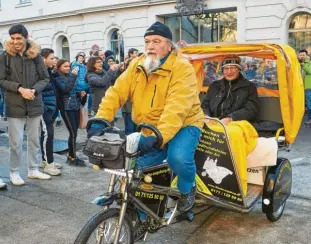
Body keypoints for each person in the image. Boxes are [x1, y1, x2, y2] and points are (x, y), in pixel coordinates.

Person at [87, 22, 204, 226]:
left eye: (156, 41)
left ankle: (188, 190)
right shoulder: (139, 64)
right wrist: (101, 119)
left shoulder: (182, 67)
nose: (150, 46)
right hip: (152, 127)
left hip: (185, 122)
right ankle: (143, 215)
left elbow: (177, 107)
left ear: (169, 46)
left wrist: (158, 136)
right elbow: (116, 92)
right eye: (147, 41)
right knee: (136, 168)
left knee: (178, 158)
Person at [0, 23, 52, 186]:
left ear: (26, 38)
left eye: (18, 38)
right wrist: (20, 89)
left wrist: (33, 90)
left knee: (34, 140)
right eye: (12, 38)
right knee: (16, 142)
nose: (15, 42)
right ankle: (14, 172)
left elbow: (45, 78)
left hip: (34, 103)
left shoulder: (36, 56)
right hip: (14, 105)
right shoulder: (4, 56)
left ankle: (33, 170)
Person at [201, 55, 260, 125]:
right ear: (222, 70)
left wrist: (231, 118)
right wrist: (206, 116)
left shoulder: (249, 87)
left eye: (233, 68)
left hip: (237, 124)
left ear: (239, 69)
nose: (229, 71)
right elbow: (205, 105)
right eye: (226, 68)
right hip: (213, 122)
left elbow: (251, 110)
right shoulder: (214, 86)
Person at [54, 59, 87, 166]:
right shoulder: (57, 78)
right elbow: (66, 89)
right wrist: (73, 76)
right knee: (72, 133)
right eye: (65, 66)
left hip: (75, 106)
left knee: (75, 132)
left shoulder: (69, 76)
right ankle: (72, 158)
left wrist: (80, 94)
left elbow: (73, 90)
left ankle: (71, 156)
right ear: (59, 67)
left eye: (69, 66)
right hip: (66, 108)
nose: (68, 68)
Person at [39, 48, 62, 175]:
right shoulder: (39, 72)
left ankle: (45, 160)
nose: (54, 60)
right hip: (45, 108)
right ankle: (49, 164)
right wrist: (44, 108)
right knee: (48, 134)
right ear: (44, 59)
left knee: (46, 134)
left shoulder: (48, 71)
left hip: (51, 106)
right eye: (52, 58)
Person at [299, 49, 311, 125]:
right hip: (299, 86)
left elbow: (310, 72)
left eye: (303, 55)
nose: (302, 56)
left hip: (308, 87)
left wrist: (303, 64)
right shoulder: (297, 63)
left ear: (306, 55)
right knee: (299, 103)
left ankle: (310, 118)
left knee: (309, 104)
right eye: (300, 55)